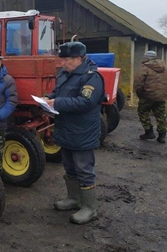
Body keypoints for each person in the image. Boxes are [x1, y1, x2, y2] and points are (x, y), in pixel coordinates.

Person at [45, 41, 105, 225]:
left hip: (82, 132)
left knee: (84, 169)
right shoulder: (65, 73)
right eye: (62, 59)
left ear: (79, 59)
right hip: (66, 129)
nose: (63, 63)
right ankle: (74, 198)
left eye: (67, 59)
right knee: (69, 167)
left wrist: (58, 103)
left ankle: (89, 208)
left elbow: (85, 102)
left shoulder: (92, 77)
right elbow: (57, 92)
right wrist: (48, 99)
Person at [134, 50, 167, 143]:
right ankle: (162, 136)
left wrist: (140, 95)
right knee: (161, 115)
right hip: (161, 96)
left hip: (147, 96)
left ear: (147, 57)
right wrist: (164, 92)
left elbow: (138, 84)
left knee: (142, 112)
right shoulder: (165, 67)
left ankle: (149, 132)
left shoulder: (144, 68)